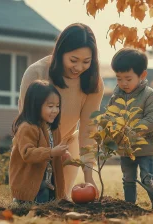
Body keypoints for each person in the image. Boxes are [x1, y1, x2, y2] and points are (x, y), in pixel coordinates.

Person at [19, 23, 104, 198]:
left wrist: (89, 175)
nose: (79, 67)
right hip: (35, 143)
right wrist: (47, 152)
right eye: (73, 60)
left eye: (86, 62)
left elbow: (89, 128)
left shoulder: (93, 82)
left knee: (61, 198)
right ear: (60, 52)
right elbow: (26, 123)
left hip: (66, 145)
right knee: (34, 198)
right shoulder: (36, 73)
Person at [107, 48, 153, 208]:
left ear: (142, 75)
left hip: (146, 149)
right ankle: (129, 205)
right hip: (126, 150)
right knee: (128, 179)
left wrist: (134, 130)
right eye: (119, 78)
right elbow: (110, 116)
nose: (123, 83)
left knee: (148, 177)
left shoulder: (149, 95)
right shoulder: (116, 96)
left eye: (128, 78)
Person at [10, 80, 71, 203]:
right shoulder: (27, 127)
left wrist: (63, 154)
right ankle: (21, 202)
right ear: (35, 105)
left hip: (48, 180)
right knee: (39, 204)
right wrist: (52, 152)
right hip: (31, 184)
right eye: (50, 106)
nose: (55, 110)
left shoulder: (53, 128)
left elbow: (55, 150)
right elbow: (27, 153)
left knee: (51, 204)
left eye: (57, 106)